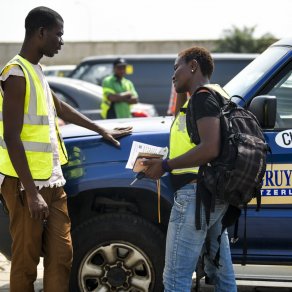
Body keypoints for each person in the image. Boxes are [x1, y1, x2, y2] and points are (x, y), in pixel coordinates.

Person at [0, 6, 132, 292]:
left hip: (53, 180)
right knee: (25, 261)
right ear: (41, 33)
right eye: (58, 35)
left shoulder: (36, 71)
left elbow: (60, 107)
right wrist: (32, 192)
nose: (61, 41)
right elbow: (11, 137)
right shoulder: (15, 74)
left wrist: (101, 129)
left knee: (62, 255)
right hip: (25, 186)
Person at [142, 47, 237, 292]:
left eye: (176, 68)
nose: (172, 75)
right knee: (222, 273)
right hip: (211, 194)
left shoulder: (202, 98)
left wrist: (164, 166)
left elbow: (210, 148)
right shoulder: (215, 94)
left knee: (175, 278)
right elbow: (190, 137)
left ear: (193, 66)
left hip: (194, 196)